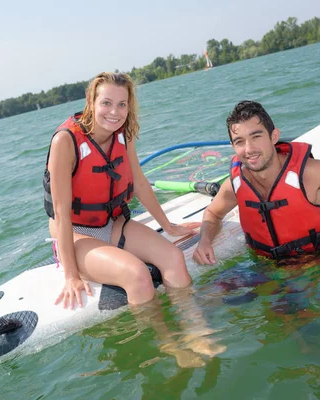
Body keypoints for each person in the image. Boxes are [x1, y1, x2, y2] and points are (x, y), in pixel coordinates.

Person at [43, 72, 224, 366]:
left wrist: (168, 226)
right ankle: (168, 344)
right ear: (91, 101)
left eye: (122, 105)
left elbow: (139, 183)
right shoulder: (66, 141)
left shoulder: (122, 134)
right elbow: (62, 213)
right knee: (137, 274)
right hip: (76, 233)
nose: (114, 112)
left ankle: (196, 331)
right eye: (106, 103)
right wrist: (71, 275)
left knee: (174, 258)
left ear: (130, 107)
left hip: (112, 223)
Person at [193, 100, 320, 265]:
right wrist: (204, 241)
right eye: (240, 142)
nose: (249, 148)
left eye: (256, 136)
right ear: (233, 146)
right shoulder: (237, 183)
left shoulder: (310, 173)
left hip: (319, 265)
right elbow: (212, 213)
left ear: (274, 136)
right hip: (265, 269)